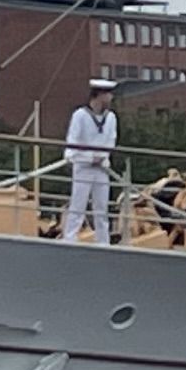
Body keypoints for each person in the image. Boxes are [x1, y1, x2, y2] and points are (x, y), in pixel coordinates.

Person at [61, 79, 122, 245]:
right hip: (83, 167)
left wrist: (103, 156)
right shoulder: (80, 115)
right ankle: (70, 239)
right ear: (99, 95)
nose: (110, 98)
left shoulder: (111, 118)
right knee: (78, 205)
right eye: (108, 94)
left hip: (102, 168)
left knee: (101, 208)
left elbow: (111, 140)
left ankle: (103, 241)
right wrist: (88, 157)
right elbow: (72, 142)